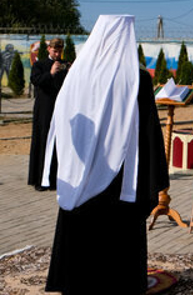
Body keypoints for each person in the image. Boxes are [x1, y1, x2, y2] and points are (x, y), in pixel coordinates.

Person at [43, 15, 169, 294]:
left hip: (81, 170)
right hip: (121, 173)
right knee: (118, 236)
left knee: (82, 228)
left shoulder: (77, 73)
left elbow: (62, 118)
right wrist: (157, 174)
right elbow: (148, 131)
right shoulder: (136, 78)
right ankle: (118, 283)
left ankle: (75, 281)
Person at [28, 37, 68, 191]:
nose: (57, 54)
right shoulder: (40, 65)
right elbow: (35, 80)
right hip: (44, 108)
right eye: (54, 50)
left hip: (61, 108)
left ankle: (56, 178)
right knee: (43, 139)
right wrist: (50, 73)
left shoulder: (65, 64)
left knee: (60, 142)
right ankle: (40, 179)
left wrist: (71, 72)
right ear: (48, 50)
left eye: (59, 51)